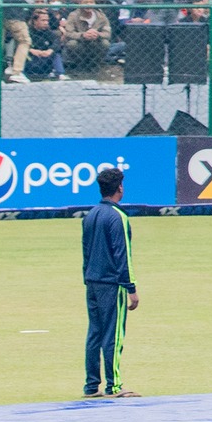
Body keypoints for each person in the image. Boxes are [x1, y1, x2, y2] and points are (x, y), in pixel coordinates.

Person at [81, 166, 137, 398]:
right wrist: (130, 287)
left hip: (92, 282)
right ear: (120, 188)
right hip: (111, 284)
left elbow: (85, 251)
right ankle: (114, 386)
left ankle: (91, 385)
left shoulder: (90, 214)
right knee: (113, 334)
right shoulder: (118, 216)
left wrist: (87, 276)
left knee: (94, 333)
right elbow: (122, 254)